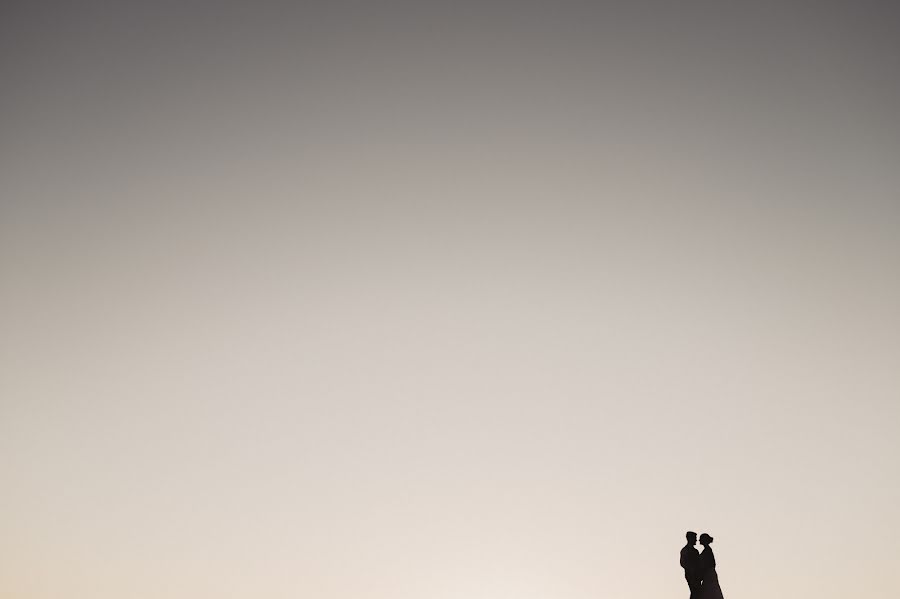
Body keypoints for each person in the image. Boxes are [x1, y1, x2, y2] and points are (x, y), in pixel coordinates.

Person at [697, 533, 725, 599]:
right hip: (708, 574)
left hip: (708, 574)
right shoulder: (707, 550)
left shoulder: (707, 551)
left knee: (710, 591)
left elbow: (710, 563)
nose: (699, 540)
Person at [680, 531, 702, 599]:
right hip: (690, 574)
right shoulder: (685, 550)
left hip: (696, 575)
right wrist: (690, 568)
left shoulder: (695, 551)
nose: (696, 540)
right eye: (694, 538)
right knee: (695, 591)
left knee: (697, 592)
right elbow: (683, 563)